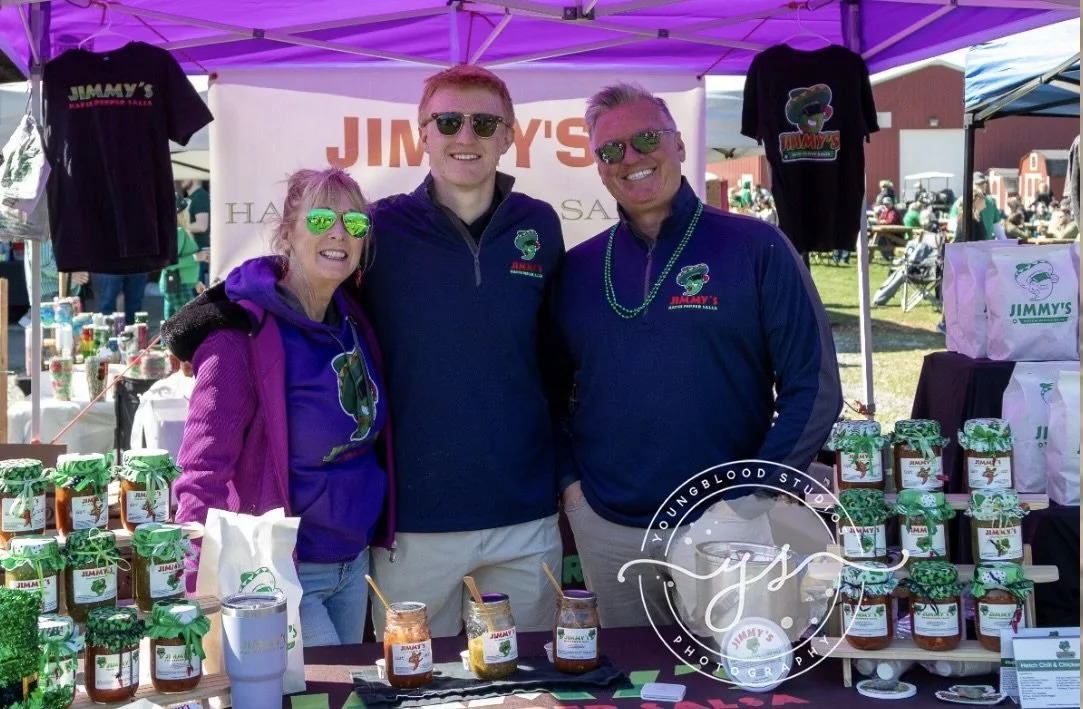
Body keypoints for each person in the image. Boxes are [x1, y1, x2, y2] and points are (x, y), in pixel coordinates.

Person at [554, 83, 842, 629]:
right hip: (610, 530)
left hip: (727, 528)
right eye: (611, 151)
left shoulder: (757, 248)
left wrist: (752, 496)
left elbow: (815, 387)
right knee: (628, 685)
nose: (631, 159)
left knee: (736, 679)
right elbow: (549, 392)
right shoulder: (579, 267)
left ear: (680, 144)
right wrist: (574, 493)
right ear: (598, 166)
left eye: (645, 139)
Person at [358, 65, 565, 639]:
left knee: (532, 686)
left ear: (509, 135)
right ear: (422, 134)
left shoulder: (540, 224)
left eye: (483, 123)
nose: (465, 136)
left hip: (525, 514)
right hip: (415, 522)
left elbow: (558, 360)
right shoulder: (379, 227)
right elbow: (308, 288)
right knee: (417, 688)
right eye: (448, 121)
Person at [164, 168, 393, 647]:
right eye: (322, 218)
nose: (339, 233)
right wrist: (190, 587)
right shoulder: (239, 336)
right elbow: (201, 470)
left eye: (354, 224)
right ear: (287, 231)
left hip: (354, 564)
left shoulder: (352, 318)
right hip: (282, 573)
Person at [159, 196, 202, 319]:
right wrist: (195, 257)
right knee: (189, 325)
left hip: (179, 285)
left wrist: (194, 283)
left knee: (172, 331)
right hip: (178, 286)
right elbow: (168, 263)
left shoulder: (180, 231)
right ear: (181, 213)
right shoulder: (178, 232)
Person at [181, 179, 212, 286]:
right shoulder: (192, 197)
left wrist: (181, 226)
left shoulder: (200, 197)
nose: (181, 180)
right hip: (194, 253)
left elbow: (202, 226)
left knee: (196, 294)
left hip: (199, 252)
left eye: (185, 177)